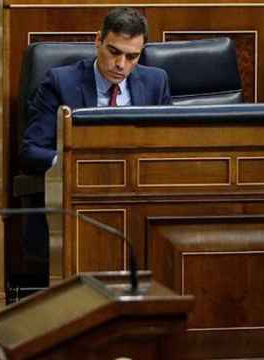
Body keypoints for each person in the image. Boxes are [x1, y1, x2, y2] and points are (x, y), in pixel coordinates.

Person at [18, 7, 171, 289]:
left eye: (132, 56)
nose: (121, 64)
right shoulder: (61, 82)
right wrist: (76, 166)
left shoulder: (155, 82)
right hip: (81, 200)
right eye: (114, 52)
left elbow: (167, 148)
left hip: (138, 197)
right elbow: (31, 151)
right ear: (97, 41)